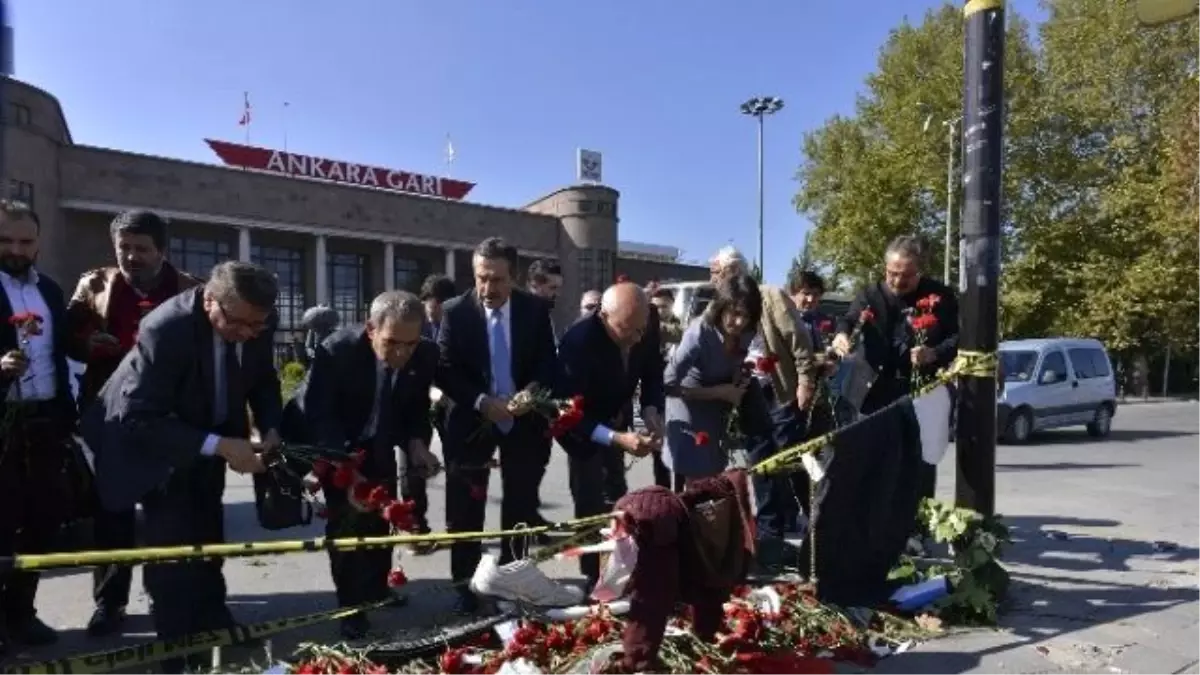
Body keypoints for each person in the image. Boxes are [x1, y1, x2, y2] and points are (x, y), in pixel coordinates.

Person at [80, 261, 283, 675]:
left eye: (257, 326)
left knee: (208, 539)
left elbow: (262, 379)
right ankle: (175, 654)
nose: (249, 333)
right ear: (210, 300)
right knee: (172, 557)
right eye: (240, 323)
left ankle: (213, 627)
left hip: (208, 438)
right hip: (148, 443)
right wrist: (219, 444)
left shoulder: (257, 316)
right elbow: (138, 418)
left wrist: (270, 425)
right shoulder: (165, 328)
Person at [65, 209, 202, 637]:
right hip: (111, 417)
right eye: (124, 247)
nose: (132, 256)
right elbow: (66, 339)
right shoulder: (94, 286)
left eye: (142, 249)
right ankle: (110, 602)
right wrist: (89, 344)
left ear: (162, 251)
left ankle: (168, 597)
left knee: (169, 515)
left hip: (168, 419)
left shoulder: (190, 290)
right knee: (113, 512)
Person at [295, 291, 441, 639]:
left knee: (380, 520)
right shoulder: (338, 351)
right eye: (392, 343)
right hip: (336, 444)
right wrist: (345, 470)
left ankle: (377, 590)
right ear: (370, 329)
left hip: (379, 443)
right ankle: (352, 606)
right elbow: (320, 414)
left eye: (410, 343)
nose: (402, 354)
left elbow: (415, 409)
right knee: (347, 527)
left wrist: (418, 444)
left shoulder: (425, 354)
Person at [435, 237, 558, 614]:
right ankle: (466, 586)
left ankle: (512, 578)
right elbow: (445, 369)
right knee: (465, 509)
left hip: (523, 422)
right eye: (481, 278)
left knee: (519, 504)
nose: (487, 288)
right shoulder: (456, 312)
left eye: (497, 280)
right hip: (472, 420)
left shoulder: (535, 310)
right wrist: (481, 401)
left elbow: (546, 363)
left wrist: (530, 394)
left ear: (514, 277)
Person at [0, 200, 78, 653]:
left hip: (46, 423)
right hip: (2, 427)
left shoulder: (50, 290)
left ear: (38, 244)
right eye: (5, 240)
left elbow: (61, 353)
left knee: (43, 522)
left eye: (25, 241)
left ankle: (21, 612)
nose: (15, 249)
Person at [831, 236, 959, 505]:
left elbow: (959, 338)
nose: (898, 282)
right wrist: (842, 335)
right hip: (872, 391)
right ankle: (870, 521)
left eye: (907, 276)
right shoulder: (870, 295)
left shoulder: (941, 296)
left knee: (919, 460)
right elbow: (849, 319)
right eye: (892, 274)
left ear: (920, 271)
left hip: (919, 390)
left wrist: (934, 353)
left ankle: (918, 525)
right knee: (872, 459)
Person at [710, 247, 817, 567]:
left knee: (786, 460)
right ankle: (771, 535)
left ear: (733, 272)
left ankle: (804, 525)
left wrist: (805, 381)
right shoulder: (722, 304)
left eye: (717, 272)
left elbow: (798, 340)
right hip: (749, 393)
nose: (713, 279)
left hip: (780, 390)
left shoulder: (769, 295)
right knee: (762, 464)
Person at [555, 282, 663, 592]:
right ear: (603, 317)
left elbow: (653, 370)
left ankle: (620, 566)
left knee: (618, 496)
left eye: (641, 330)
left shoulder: (644, 321)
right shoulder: (578, 342)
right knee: (589, 502)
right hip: (582, 428)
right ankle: (592, 576)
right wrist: (616, 438)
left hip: (618, 414)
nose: (636, 339)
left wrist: (652, 409)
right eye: (626, 331)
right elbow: (568, 412)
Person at [662, 273, 763, 484]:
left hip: (718, 411)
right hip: (688, 409)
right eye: (735, 314)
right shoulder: (699, 333)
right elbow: (668, 384)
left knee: (715, 476)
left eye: (746, 316)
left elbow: (736, 361)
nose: (739, 322)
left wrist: (738, 376)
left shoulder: (746, 331)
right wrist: (720, 392)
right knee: (696, 483)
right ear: (721, 306)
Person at [524, 259, 565, 532]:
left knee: (538, 463)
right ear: (535, 285)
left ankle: (532, 514)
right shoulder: (525, 315)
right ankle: (525, 521)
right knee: (527, 467)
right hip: (526, 405)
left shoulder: (543, 314)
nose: (556, 294)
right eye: (551, 287)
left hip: (542, 404)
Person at [648, 285, 684, 490]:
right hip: (655, 395)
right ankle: (662, 491)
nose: (660, 311)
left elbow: (677, 334)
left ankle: (679, 493)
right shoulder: (645, 327)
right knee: (659, 448)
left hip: (678, 395)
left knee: (679, 448)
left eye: (664, 307)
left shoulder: (680, 329)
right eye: (656, 307)